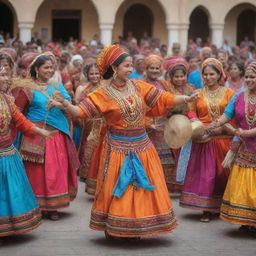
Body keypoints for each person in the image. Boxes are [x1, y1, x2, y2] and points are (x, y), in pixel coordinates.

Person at [48, 44, 199, 239]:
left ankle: (140, 225)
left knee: (141, 189)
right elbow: (82, 112)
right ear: (114, 68)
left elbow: (163, 98)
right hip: (117, 148)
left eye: (130, 66)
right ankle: (116, 225)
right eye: (126, 66)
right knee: (121, 189)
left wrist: (186, 97)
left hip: (143, 146)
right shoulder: (102, 94)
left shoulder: (138, 86)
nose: (130, 69)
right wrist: (67, 104)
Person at [12, 53, 79, 221]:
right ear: (36, 69)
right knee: (36, 172)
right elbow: (17, 113)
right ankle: (37, 206)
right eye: (46, 67)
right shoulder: (27, 88)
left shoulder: (57, 86)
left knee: (56, 170)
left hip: (57, 134)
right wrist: (30, 128)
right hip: (35, 133)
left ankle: (53, 207)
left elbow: (68, 105)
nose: (50, 70)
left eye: (51, 67)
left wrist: (61, 102)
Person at [180, 58, 235, 222]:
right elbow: (189, 111)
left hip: (223, 138)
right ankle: (207, 209)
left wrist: (220, 128)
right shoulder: (197, 94)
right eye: (205, 74)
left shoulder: (229, 93)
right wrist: (195, 122)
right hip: (203, 139)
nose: (209, 77)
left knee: (222, 174)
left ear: (219, 75)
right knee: (206, 175)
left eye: (212, 74)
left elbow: (234, 115)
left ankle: (222, 207)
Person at [0, 66, 53, 237]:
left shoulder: (7, 100)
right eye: (2, 76)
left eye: (6, 75)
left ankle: (9, 227)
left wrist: (41, 132)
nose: (7, 79)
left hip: (8, 153)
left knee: (11, 191)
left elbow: (21, 121)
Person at [210, 62, 256, 235]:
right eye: (247, 77)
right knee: (244, 186)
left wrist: (246, 132)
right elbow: (227, 115)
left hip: (250, 141)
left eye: (253, 77)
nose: (249, 80)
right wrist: (215, 124)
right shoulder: (238, 96)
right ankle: (246, 220)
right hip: (244, 149)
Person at [143, 55, 176, 191]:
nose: (154, 70)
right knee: (145, 157)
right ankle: (146, 185)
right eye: (152, 68)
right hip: (145, 127)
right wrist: (148, 123)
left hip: (162, 126)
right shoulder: (140, 84)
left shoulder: (165, 85)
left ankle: (162, 188)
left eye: (157, 68)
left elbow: (172, 102)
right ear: (146, 69)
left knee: (164, 157)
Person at [165, 58, 195, 193]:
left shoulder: (191, 89)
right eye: (176, 76)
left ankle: (183, 183)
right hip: (170, 125)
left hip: (187, 125)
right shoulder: (167, 89)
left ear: (186, 76)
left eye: (182, 76)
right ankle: (173, 184)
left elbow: (193, 106)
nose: (179, 79)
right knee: (172, 154)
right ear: (171, 77)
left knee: (185, 154)